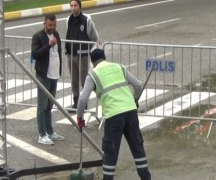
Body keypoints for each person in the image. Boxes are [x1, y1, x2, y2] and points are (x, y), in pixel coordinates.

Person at [76, 49, 151, 180]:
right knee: (137, 146)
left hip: (113, 115)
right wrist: (134, 100)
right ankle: (146, 177)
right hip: (131, 113)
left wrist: (79, 117)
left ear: (93, 62)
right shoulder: (119, 67)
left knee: (110, 152)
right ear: (105, 58)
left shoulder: (93, 74)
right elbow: (138, 85)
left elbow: (83, 99)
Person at [31, 14, 65, 145]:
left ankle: (50, 132)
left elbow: (58, 52)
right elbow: (35, 54)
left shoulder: (56, 34)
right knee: (42, 106)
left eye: (54, 25)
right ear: (44, 23)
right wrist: (49, 45)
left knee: (49, 106)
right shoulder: (38, 36)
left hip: (54, 75)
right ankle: (42, 134)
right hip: (43, 76)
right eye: (50, 25)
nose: (52, 27)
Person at [65, 0, 100, 111]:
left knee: (84, 81)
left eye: (75, 5)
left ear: (80, 6)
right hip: (71, 54)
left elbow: (94, 37)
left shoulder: (87, 20)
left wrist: (91, 50)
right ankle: (76, 103)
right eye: (71, 6)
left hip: (83, 55)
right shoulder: (68, 20)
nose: (73, 8)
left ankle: (83, 104)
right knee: (74, 80)